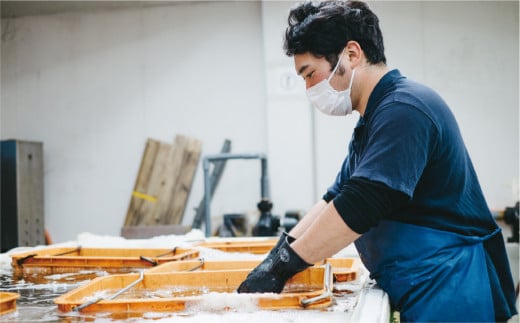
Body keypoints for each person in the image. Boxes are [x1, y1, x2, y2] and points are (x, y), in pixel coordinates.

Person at [237, 1, 518, 322]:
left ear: (351, 54)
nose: (309, 89)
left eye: (310, 74)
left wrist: (288, 263)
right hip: (419, 281)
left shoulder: (406, 108)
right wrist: (277, 255)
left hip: (448, 284)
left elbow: (364, 202)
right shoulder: (372, 120)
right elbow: (335, 198)